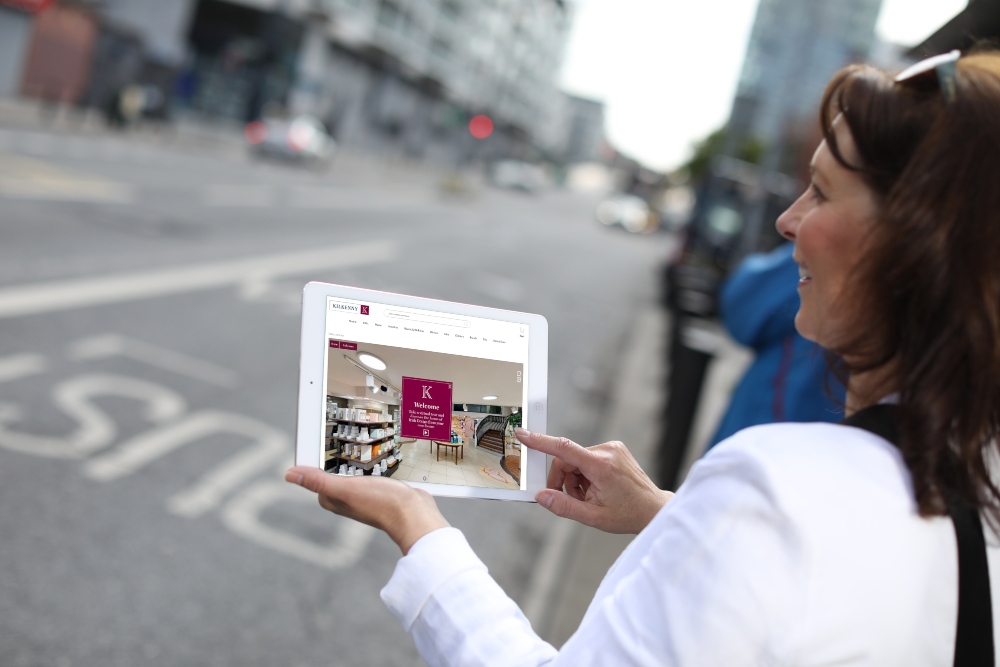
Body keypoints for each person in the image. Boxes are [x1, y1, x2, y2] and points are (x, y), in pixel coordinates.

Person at [286, 50, 1000, 665]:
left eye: (822, 191)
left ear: (912, 246)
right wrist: (672, 516)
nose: (788, 220)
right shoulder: (980, 475)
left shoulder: (774, 487)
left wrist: (417, 522)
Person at [708, 241, 845, 448]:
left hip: (761, 447)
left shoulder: (827, 246)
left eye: (821, 205)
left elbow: (743, 303)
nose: (787, 222)